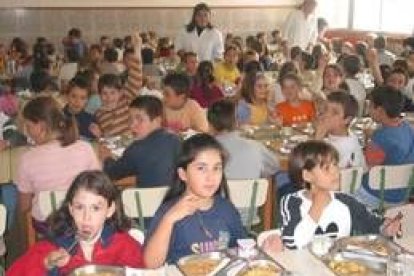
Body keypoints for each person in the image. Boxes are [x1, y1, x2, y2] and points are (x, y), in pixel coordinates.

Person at [8, 170, 144, 275]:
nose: (86, 217)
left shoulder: (123, 244)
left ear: (109, 210)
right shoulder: (54, 244)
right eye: (80, 207)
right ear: (71, 209)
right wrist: (46, 264)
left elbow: (142, 270)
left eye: (96, 208)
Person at [144, 133, 246, 267]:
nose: (211, 177)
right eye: (201, 168)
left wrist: (266, 242)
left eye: (216, 168)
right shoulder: (169, 212)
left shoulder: (226, 209)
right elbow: (151, 264)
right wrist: (169, 220)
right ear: (183, 174)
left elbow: (243, 247)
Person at [277, 140, 401, 249]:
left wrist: (386, 229)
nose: (336, 171)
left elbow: (373, 224)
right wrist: (317, 207)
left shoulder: (345, 201)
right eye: (326, 168)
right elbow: (292, 243)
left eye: (335, 165)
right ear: (307, 175)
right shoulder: (291, 202)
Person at [17, 96, 100, 235]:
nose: (28, 131)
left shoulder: (27, 158)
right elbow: (98, 185)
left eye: (29, 126)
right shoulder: (85, 148)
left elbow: (24, 206)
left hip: (47, 224)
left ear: (41, 126)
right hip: (84, 219)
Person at [208, 100, 279, 224]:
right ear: (236, 122)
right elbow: (275, 167)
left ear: (210, 124)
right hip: (248, 215)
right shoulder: (255, 146)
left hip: (213, 215)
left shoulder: (204, 150)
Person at [100, 95, 181, 187]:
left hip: (146, 200)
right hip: (175, 196)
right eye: (130, 119)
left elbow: (111, 173)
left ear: (157, 121)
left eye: (139, 119)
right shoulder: (175, 139)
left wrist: (106, 158)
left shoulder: (136, 149)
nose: (132, 125)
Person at [359, 86, 414, 206]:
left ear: (380, 110)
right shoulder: (408, 128)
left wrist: (368, 141)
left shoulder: (380, 137)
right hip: (402, 195)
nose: (368, 110)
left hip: (376, 195)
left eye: (370, 106)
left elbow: (368, 165)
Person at [315, 91, 366, 170]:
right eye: (325, 109)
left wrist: (318, 137)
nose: (326, 115)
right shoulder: (350, 135)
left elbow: (311, 167)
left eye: (335, 112)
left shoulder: (336, 148)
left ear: (347, 120)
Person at [63, 76, 100, 140]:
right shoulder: (58, 117)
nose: (77, 101)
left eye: (82, 98)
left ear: (87, 100)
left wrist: (99, 135)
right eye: (73, 96)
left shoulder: (91, 119)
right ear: (66, 96)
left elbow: (96, 140)